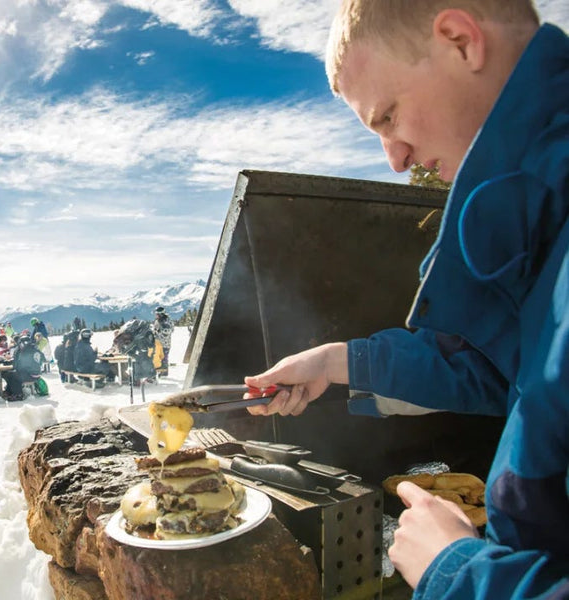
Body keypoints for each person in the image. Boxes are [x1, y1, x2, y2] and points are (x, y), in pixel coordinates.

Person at [243, 4, 568, 597]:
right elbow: (501, 371)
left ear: (460, 40)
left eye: (388, 116)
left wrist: (457, 573)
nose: (395, 159)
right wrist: (336, 362)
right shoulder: (545, 217)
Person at [2, 335, 45, 401]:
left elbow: (18, 366)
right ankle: (9, 392)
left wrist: (10, 363)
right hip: (37, 374)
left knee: (11, 375)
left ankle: (18, 394)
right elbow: (43, 359)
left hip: (29, 375)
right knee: (13, 374)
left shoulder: (24, 351)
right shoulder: (35, 349)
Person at [152, 307, 174, 376]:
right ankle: (158, 371)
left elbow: (170, 330)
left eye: (157, 314)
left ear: (161, 314)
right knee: (157, 358)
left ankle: (164, 373)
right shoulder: (157, 320)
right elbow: (155, 329)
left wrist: (160, 331)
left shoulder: (167, 320)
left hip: (165, 343)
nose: (156, 315)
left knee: (164, 358)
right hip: (157, 343)